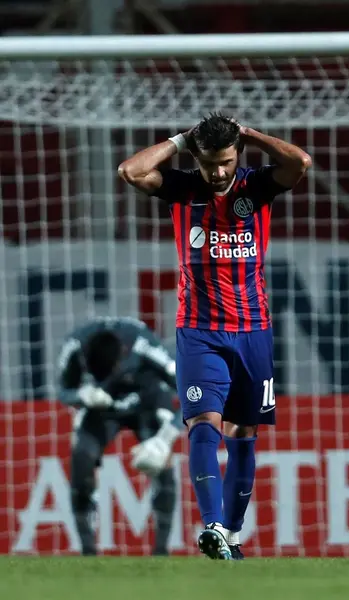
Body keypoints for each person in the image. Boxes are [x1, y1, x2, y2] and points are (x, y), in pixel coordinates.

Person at [117, 112, 311, 559]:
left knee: (244, 431)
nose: (219, 172)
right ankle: (215, 526)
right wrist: (179, 141)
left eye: (226, 161)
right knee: (204, 424)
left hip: (253, 331)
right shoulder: (183, 188)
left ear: (237, 154)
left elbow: (300, 163)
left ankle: (233, 537)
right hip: (200, 332)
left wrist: (251, 134)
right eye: (210, 164)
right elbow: (131, 170)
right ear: (197, 158)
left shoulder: (256, 186)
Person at [57, 316, 181, 556]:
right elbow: (63, 390)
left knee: (162, 464)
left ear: (123, 356)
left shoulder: (144, 345)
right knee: (81, 457)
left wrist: (166, 437)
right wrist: (82, 394)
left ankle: (161, 551)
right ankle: (88, 552)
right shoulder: (75, 346)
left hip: (148, 402)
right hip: (102, 406)